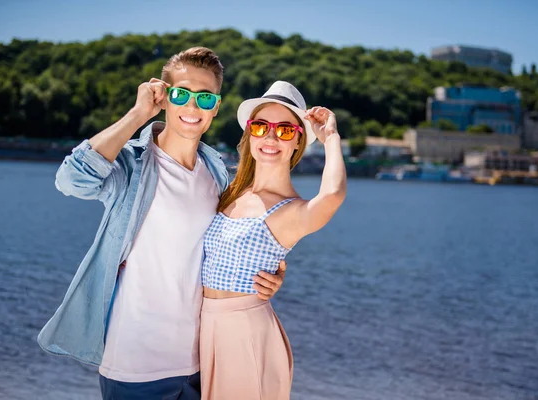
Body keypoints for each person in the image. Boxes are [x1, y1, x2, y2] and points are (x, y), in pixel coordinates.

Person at [37, 47, 287, 400]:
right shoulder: (132, 167)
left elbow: (228, 247)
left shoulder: (215, 174)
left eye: (204, 98)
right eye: (181, 94)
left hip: (203, 362)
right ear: (165, 98)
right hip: (136, 368)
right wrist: (138, 114)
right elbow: (71, 180)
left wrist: (268, 274)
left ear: (216, 106)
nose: (192, 106)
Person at [199, 81, 347, 400]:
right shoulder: (229, 193)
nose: (270, 137)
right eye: (261, 126)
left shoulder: (291, 211)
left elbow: (333, 195)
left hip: (245, 334)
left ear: (297, 142)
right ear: (249, 134)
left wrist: (331, 138)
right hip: (202, 327)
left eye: (284, 130)